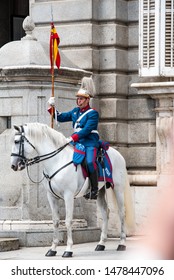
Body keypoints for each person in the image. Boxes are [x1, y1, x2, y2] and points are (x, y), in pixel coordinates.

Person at [47, 77, 99, 199]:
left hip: (89, 142)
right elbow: (60, 117)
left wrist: (72, 137)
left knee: (90, 161)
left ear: (87, 100)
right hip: (77, 142)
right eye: (78, 98)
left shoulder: (93, 113)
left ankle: (94, 190)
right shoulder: (75, 111)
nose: (78, 101)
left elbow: (86, 130)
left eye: (81, 99)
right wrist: (51, 107)